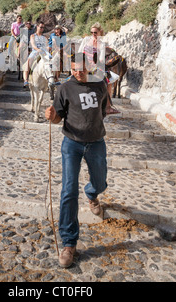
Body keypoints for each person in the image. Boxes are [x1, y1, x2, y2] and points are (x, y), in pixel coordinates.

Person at [45, 50, 108, 269]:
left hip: (96, 142)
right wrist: (53, 118)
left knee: (101, 182)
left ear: (88, 65)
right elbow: (58, 118)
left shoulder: (100, 84)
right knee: (68, 190)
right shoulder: (64, 88)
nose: (77, 73)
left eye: (80, 68)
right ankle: (69, 242)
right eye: (73, 69)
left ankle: (92, 193)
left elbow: (102, 111)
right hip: (71, 143)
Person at [79, 22, 120, 114]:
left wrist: (96, 64)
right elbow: (80, 51)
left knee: (108, 79)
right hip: (84, 64)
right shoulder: (86, 40)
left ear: (100, 32)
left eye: (95, 32)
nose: (93, 34)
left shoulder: (101, 44)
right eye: (92, 32)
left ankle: (107, 106)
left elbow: (101, 58)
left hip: (95, 65)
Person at [23, 21, 49, 86]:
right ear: (37, 27)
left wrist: (47, 49)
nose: (42, 29)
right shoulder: (33, 36)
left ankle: (54, 79)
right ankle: (26, 79)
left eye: (43, 28)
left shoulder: (45, 37)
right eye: (41, 27)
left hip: (44, 52)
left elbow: (47, 45)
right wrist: (38, 50)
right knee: (29, 61)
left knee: (52, 61)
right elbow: (33, 45)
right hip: (35, 51)